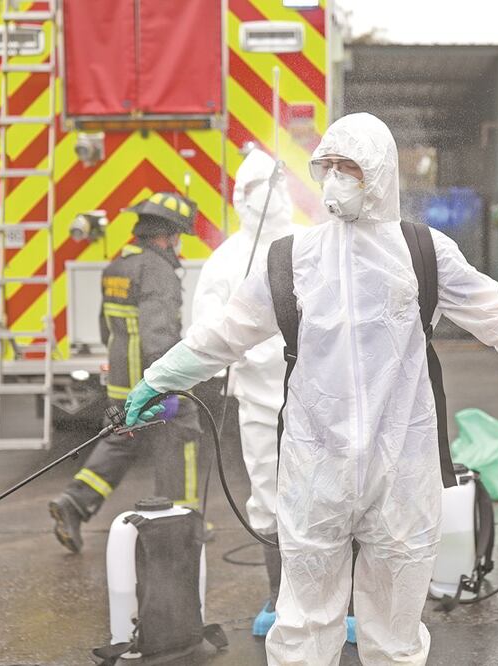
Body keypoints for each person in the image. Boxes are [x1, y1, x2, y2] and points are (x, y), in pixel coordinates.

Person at [124, 113, 498, 665]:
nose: (335, 178)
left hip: (401, 471)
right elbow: (222, 335)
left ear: (379, 173)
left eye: (348, 166)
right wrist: (157, 378)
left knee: (395, 632)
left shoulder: (423, 253)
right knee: (303, 627)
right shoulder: (290, 259)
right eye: (326, 166)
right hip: (315, 467)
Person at [190, 147, 304, 636]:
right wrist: (256, 355)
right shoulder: (227, 261)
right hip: (260, 402)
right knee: (270, 497)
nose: (272, 196)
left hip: (320, 401)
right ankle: (279, 598)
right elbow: (207, 331)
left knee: (332, 496)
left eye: (278, 185)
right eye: (260, 188)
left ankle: (337, 595)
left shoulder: (310, 244)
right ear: (241, 197)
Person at [47, 192, 201, 553]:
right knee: (181, 435)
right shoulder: (157, 271)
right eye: (177, 236)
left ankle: (74, 503)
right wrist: (169, 385)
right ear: (165, 235)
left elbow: (106, 328)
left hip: (121, 379)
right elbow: (158, 336)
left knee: (120, 440)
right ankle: (180, 523)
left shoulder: (117, 265)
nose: (178, 245)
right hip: (148, 381)